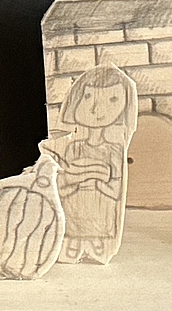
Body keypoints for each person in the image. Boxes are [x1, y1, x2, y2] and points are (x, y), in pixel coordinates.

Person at [45, 64, 139, 263]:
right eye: (88, 97)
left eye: (113, 99)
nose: (97, 109)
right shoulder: (73, 148)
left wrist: (96, 179)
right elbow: (62, 187)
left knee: (98, 245)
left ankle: (97, 249)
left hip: (101, 219)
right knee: (72, 243)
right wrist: (72, 178)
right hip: (74, 216)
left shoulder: (114, 151)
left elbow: (116, 190)